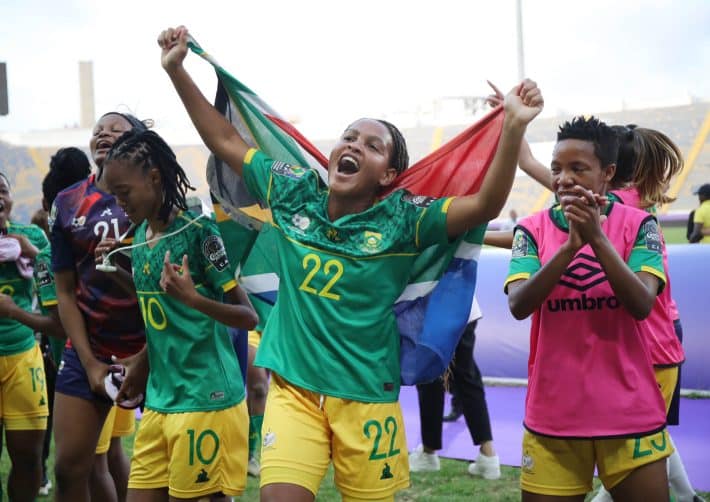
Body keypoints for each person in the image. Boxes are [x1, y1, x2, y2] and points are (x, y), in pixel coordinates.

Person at [159, 24, 543, 501]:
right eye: (349, 137)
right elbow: (225, 140)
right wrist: (178, 70)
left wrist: (513, 127)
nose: (354, 146)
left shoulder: (405, 218)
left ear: (390, 174)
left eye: (372, 145)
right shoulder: (294, 189)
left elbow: (484, 205)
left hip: (366, 400)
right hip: (293, 392)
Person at [507, 115, 703, 502]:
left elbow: (641, 304)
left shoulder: (641, 224)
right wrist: (568, 249)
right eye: (557, 169)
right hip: (553, 414)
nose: (563, 179)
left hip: (630, 413)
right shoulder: (531, 229)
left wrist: (597, 239)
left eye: (577, 168)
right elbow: (519, 303)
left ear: (607, 173)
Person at [98, 128, 258, 500]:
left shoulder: (197, 231)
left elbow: (247, 317)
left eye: (124, 193)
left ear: (154, 177)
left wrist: (195, 299)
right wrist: (117, 271)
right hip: (160, 400)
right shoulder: (139, 235)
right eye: (114, 195)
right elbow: (158, 302)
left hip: (206, 400)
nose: (119, 203)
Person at [50, 113, 148, 502]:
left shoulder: (157, 197)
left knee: (168, 474)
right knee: (69, 468)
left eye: (116, 129)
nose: (104, 134)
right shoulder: (68, 201)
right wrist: (90, 362)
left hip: (156, 346)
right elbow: (65, 290)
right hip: (90, 347)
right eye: (98, 131)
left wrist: (144, 356)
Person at [32, 147, 93, 497]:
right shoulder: (100, 240)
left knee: (79, 468)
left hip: (82, 365)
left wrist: (14, 313)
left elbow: (58, 324)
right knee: (104, 459)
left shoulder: (49, 256)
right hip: (108, 356)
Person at [0, 171, 54, 501]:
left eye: (2, 190)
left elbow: (62, 270)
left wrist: (30, 250)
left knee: (28, 458)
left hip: (23, 358)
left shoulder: (28, 235)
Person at [409, 296, 500, 480]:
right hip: (463, 306)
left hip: (433, 309)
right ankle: (488, 456)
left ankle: (428, 452)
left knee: (430, 376)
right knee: (466, 375)